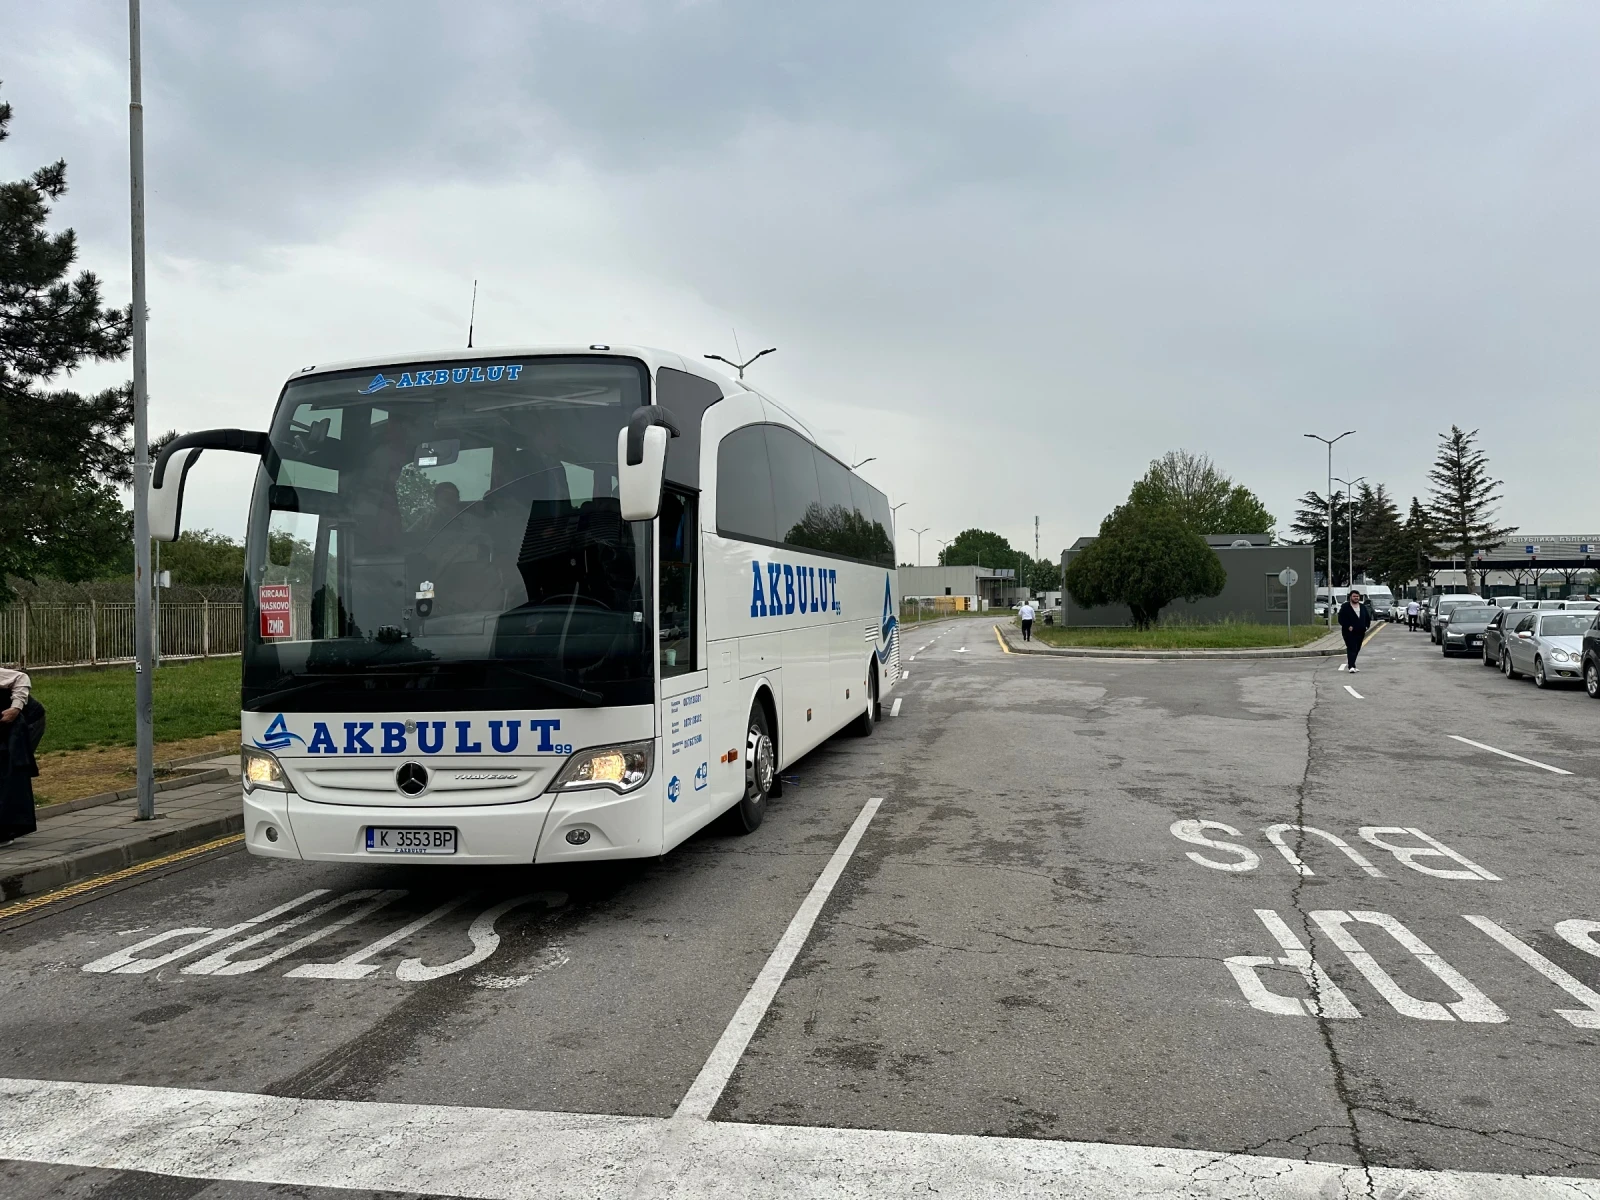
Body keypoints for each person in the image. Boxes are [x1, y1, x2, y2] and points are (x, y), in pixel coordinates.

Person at [0, 666, 46, 844]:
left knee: (11, 773)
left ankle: (8, 830)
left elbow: (21, 678)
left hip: (27, 720)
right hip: (5, 728)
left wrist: (15, 707)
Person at [1338, 589, 1371, 672]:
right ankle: (1351, 666)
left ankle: (1353, 665)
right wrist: (1347, 626)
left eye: (1357, 596)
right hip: (1349, 632)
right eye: (1354, 596)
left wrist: (1366, 626)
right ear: (1350, 597)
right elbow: (1341, 618)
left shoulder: (1362, 607)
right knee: (1351, 647)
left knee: (1357, 648)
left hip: (1360, 631)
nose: (1356, 598)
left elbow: (1367, 617)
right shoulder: (1345, 607)